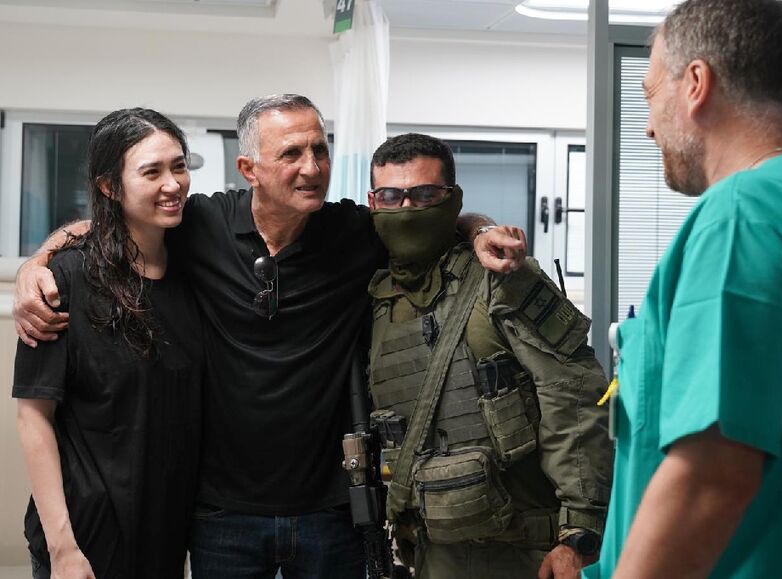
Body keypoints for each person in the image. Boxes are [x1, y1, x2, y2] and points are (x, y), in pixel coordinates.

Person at [13, 95, 527, 579]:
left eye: (319, 150)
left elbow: (433, 219)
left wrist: (481, 229)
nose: (312, 167)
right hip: (220, 513)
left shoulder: (353, 232)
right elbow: (108, 223)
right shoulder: (199, 225)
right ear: (249, 169)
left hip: (331, 508)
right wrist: (37, 264)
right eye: (291, 153)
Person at [584, 1, 782, 578]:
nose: (648, 125)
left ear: (696, 84)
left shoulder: (743, 216)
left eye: (651, 95)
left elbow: (711, 478)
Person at [365, 133, 613, 579]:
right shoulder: (377, 297)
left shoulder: (502, 276)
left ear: (451, 199)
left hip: (524, 548)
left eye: (425, 195)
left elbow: (572, 393)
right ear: (373, 202)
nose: (408, 210)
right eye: (392, 196)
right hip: (431, 551)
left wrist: (578, 532)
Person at [13, 108, 203, 578]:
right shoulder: (65, 281)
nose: (173, 184)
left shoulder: (195, 271)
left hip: (163, 532)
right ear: (109, 187)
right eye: (151, 171)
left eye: (179, 166)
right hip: (85, 534)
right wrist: (62, 549)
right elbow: (33, 417)